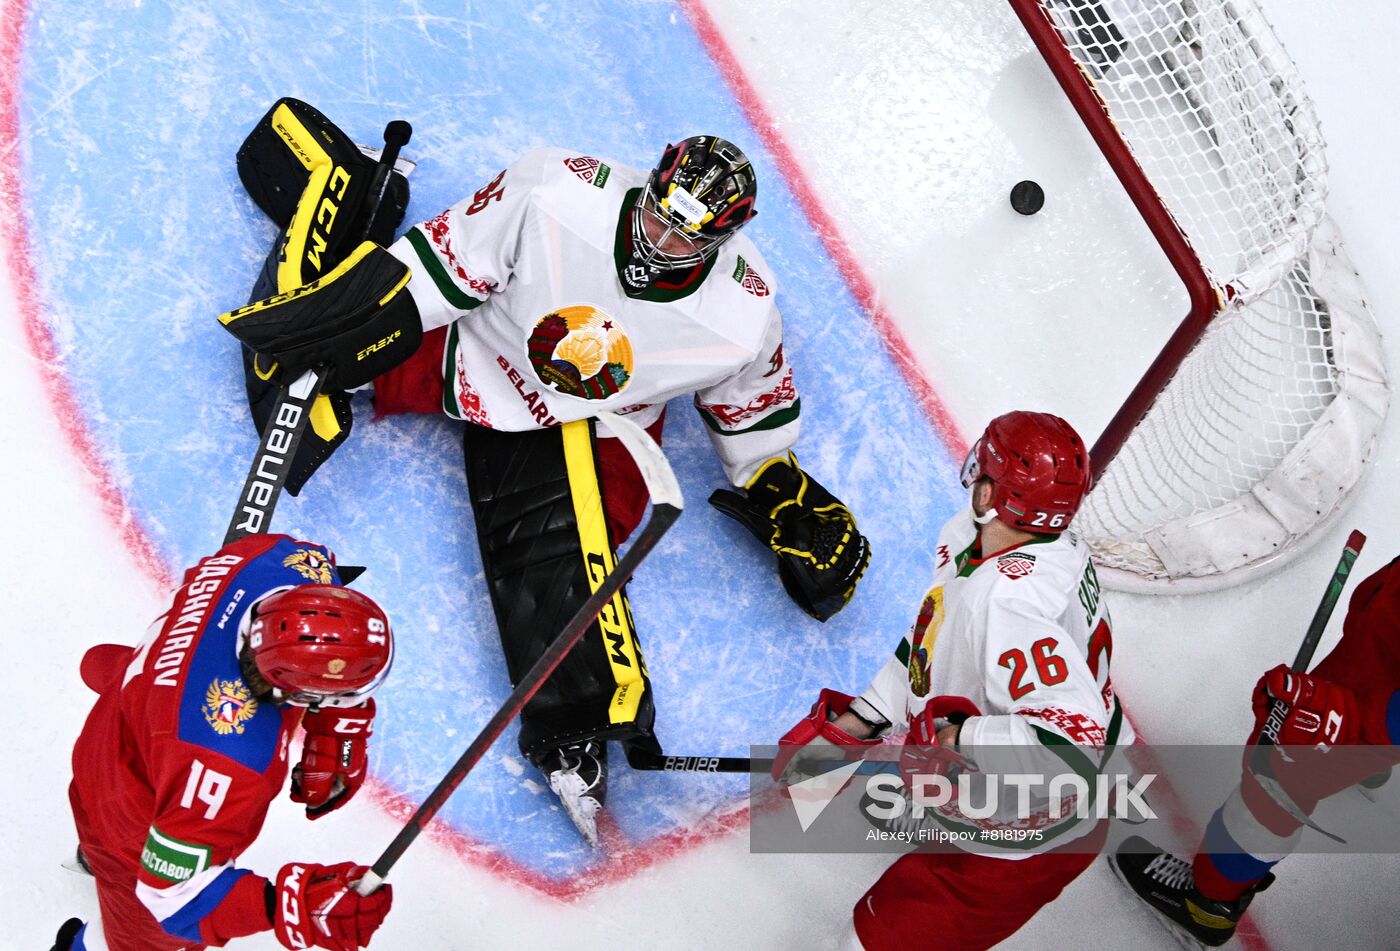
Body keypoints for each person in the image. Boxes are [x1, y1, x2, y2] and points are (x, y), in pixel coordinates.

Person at [217, 98, 870, 845]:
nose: (657, 239)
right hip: (478, 351)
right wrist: (342, 333)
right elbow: (435, 273)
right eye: (656, 214)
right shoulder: (556, 190)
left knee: (559, 553)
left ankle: (575, 724)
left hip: (593, 428)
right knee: (322, 343)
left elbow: (750, 411)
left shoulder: (745, 313)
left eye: (682, 236)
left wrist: (780, 489)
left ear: (722, 241)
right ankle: (333, 186)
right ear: (649, 183)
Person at [775, 411, 1131, 951]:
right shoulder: (987, 539)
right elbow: (936, 638)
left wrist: (962, 739)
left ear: (993, 493)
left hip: (1029, 838)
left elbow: (1073, 749)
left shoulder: (1010, 603)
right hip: (994, 796)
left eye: (982, 467)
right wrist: (864, 718)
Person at [55, 533, 396, 951]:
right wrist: (288, 906)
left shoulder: (274, 559)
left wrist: (338, 728)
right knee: (148, 940)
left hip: (138, 703)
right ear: (295, 693)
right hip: (126, 812)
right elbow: (173, 896)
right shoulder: (227, 763)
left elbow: (324, 599)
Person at [1111, 556, 1400, 947]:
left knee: (1277, 785)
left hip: (1376, 707)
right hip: (1381, 666)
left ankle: (1209, 903)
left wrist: (1357, 724)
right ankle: (1367, 753)